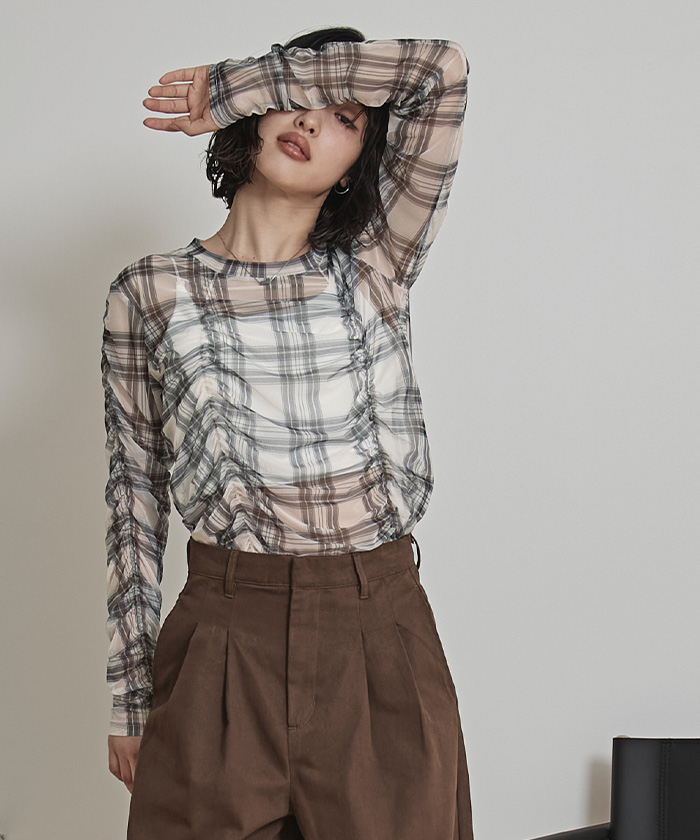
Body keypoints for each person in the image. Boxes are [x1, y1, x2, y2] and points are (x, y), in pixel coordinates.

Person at [101, 24, 472, 840]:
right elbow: (134, 499)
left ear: (356, 168)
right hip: (223, 638)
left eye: (344, 117)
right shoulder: (149, 293)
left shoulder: (376, 264)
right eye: (295, 98)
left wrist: (234, 82)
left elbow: (440, 70)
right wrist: (130, 697)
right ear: (260, 118)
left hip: (376, 637)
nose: (308, 119)